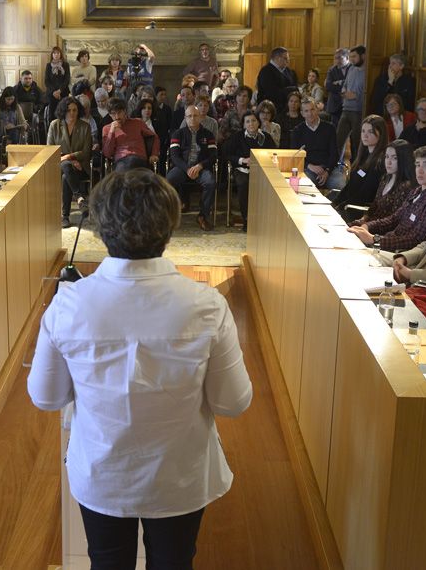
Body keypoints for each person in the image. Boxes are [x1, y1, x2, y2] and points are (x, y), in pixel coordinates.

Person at [27, 169, 252, 569]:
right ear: (170, 225)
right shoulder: (205, 305)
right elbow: (233, 402)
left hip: (102, 470)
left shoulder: (69, 304)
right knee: (174, 562)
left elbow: (46, 397)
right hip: (180, 474)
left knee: (107, 562)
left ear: (99, 226)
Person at [348, 145, 426, 252]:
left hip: (399, 253)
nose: (420, 170)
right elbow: (394, 219)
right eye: (417, 165)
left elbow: (416, 239)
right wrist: (367, 226)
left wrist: (374, 239)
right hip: (387, 241)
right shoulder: (416, 191)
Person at [167, 102, 218, 231]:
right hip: (183, 168)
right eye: (189, 116)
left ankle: (203, 216)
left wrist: (200, 166)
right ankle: (168, 216)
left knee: (210, 182)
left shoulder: (208, 134)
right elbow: (174, 156)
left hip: (201, 168)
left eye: (195, 115)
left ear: (200, 117)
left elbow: (213, 156)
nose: (192, 118)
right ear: (185, 118)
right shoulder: (178, 134)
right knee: (166, 182)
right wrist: (187, 168)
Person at [226, 110, 276, 230]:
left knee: (270, 185)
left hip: (262, 170)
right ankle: (247, 219)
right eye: (247, 121)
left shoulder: (266, 137)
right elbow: (226, 154)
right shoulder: (237, 137)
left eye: (253, 120)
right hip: (242, 169)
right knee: (244, 184)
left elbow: (274, 153)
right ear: (243, 124)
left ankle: (265, 218)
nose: (251, 124)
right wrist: (242, 160)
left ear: (258, 122)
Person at [47, 97, 93, 228]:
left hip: (80, 167)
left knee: (66, 176)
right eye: (68, 110)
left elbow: (86, 152)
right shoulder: (54, 125)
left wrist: (68, 157)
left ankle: (65, 216)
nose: (72, 113)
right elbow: (50, 150)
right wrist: (70, 160)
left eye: (75, 110)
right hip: (58, 165)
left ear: (79, 111)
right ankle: (79, 197)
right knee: (66, 169)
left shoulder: (85, 127)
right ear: (63, 111)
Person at [351, 139, 418, 226]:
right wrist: (364, 219)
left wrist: (366, 226)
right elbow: (374, 206)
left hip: (380, 231)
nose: (388, 162)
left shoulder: (406, 186)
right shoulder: (385, 178)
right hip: (369, 224)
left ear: (404, 160)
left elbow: (393, 220)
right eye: (386, 156)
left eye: (394, 158)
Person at [327, 115, 388, 200]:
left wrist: (341, 206)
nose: (365, 135)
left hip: (358, 207)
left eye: (370, 132)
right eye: (363, 131)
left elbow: (365, 193)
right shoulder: (363, 155)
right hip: (349, 203)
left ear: (381, 134)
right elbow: (351, 186)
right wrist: (336, 202)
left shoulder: (380, 161)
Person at [290, 98, 338, 189]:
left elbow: (334, 153)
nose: (310, 113)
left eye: (312, 109)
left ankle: (332, 204)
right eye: (306, 111)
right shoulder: (297, 130)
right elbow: (295, 155)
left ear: (317, 109)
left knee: (340, 185)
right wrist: (309, 166)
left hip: (329, 168)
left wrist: (327, 171)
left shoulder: (330, 128)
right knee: (305, 186)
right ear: (302, 113)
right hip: (309, 169)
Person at [102, 98, 159, 172]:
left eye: (119, 112)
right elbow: (107, 154)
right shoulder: (107, 129)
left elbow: (154, 137)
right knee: (124, 168)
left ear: (125, 111)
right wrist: (111, 132)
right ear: (109, 114)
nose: (117, 116)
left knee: (131, 163)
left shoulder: (138, 122)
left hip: (138, 158)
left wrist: (154, 153)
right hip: (121, 160)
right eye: (113, 113)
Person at [337, 46, 367, 158]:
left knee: (357, 141)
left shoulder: (367, 72)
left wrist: (355, 96)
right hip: (345, 109)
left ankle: (357, 167)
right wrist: (344, 92)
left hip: (358, 111)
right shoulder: (351, 69)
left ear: (363, 56)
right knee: (339, 139)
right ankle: (336, 166)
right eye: (350, 57)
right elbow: (345, 85)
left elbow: (367, 93)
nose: (351, 59)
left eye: (354, 56)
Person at [44, 46, 72, 120]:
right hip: (51, 93)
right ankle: (52, 129)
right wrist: (54, 92)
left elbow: (67, 79)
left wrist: (59, 91)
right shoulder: (48, 65)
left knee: (63, 113)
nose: (56, 55)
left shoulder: (66, 65)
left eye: (58, 53)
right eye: (54, 53)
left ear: (60, 54)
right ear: (52, 55)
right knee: (52, 115)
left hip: (63, 92)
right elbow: (47, 81)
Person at [324, 48, 349, 126]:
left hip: (348, 105)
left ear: (347, 58)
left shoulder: (353, 69)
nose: (337, 61)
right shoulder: (332, 70)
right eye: (335, 58)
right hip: (334, 106)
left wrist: (340, 82)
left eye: (340, 58)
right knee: (335, 129)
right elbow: (328, 86)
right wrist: (343, 88)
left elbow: (352, 84)